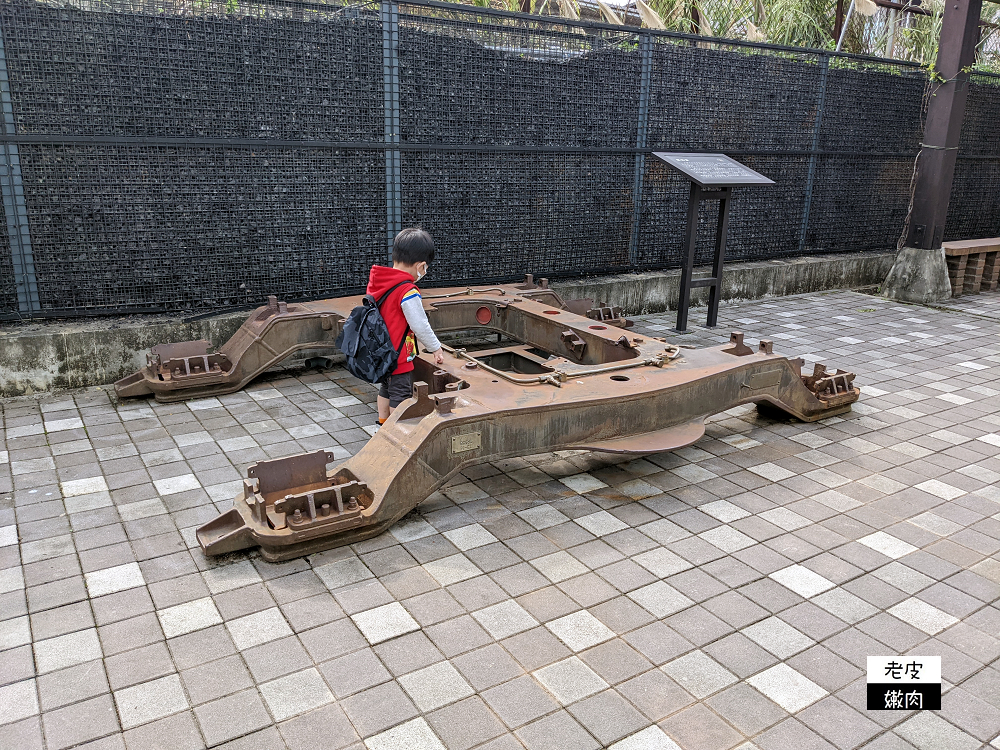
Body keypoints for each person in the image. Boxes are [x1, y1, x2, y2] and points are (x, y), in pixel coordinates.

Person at [366, 227, 444, 424]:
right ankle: (396, 431)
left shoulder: (379, 282)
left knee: (385, 388)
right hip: (398, 356)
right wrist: (436, 347)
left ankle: (382, 424)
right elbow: (420, 325)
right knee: (400, 395)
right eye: (425, 268)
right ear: (420, 266)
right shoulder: (407, 291)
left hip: (380, 351)